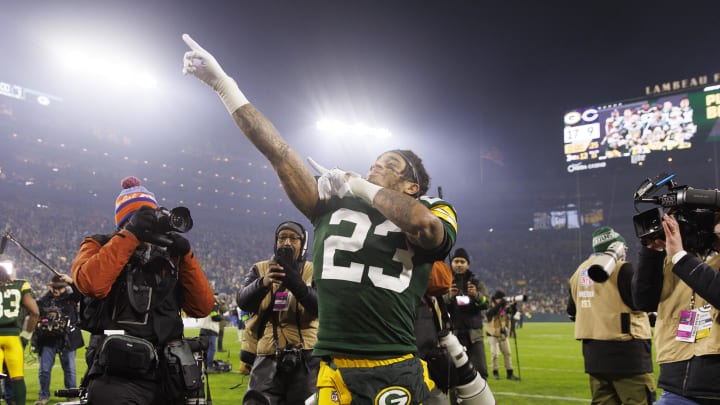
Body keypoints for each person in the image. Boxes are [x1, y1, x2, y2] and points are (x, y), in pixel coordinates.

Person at [183, 35, 458, 405]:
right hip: (332, 369)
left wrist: (358, 184)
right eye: (373, 163)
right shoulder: (331, 201)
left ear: (412, 186)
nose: (375, 167)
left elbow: (426, 229)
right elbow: (279, 152)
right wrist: (224, 86)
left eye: (389, 166)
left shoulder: (431, 206)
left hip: (393, 361)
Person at [70, 176, 215, 404]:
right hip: (117, 374)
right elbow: (91, 284)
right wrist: (130, 236)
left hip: (169, 375)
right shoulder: (97, 244)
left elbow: (202, 306)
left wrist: (186, 256)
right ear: (126, 222)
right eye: (143, 220)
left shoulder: (171, 255)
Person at [633, 212, 720, 403]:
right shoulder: (673, 256)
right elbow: (643, 301)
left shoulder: (680, 258)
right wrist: (652, 251)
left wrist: (680, 256)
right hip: (676, 383)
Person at [567, 226, 655, 404]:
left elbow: (572, 311)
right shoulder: (623, 269)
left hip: (593, 356)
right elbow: (643, 302)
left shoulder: (578, 273)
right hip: (627, 354)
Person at [237, 221, 319, 404]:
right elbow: (243, 301)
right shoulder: (260, 269)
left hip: (306, 355)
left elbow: (321, 307)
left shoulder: (314, 270)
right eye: (282, 237)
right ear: (276, 242)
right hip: (268, 352)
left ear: (302, 243)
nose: (287, 242)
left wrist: (296, 283)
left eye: (293, 238)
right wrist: (263, 282)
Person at [32, 273, 84, 405]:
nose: (56, 290)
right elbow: (35, 311)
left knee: (70, 369)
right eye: (54, 287)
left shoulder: (71, 298)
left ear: (64, 287)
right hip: (47, 340)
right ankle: (43, 396)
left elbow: (82, 294)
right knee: (44, 369)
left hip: (67, 340)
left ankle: (71, 396)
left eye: (59, 287)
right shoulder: (44, 300)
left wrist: (72, 282)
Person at [445, 248, 490, 382]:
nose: (459, 264)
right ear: (451, 263)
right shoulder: (445, 282)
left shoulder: (477, 283)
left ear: (467, 264)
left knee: (481, 371)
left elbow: (486, 303)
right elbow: (438, 304)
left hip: (474, 335)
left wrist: (476, 295)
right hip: (454, 336)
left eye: (462, 261)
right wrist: (449, 296)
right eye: (456, 261)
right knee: (454, 373)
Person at [0, 261, 39, 405]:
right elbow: (35, 312)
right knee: (17, 377)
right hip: (12, 338)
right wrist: (26, 337)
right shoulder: (20, 285)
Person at [485, 290, 520, 381]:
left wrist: (514, 306)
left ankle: (510, 373)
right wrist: (500, 304)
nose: (501, 301)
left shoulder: (505, 306)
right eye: (500, 299)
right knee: (495, 354)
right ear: (496, 299)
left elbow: (511, 314)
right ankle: (495, 372)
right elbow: (490, 313)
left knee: (507, 353)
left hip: (502, 333)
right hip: (492, 333)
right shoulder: (489, 304)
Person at [198, 297, 222, 373]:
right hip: (210, 330)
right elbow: (214, 316)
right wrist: (221, 317)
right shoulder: (214, 305)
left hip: (203, 329)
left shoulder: (205, 304)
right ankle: (209, 367)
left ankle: (204, 367)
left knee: (205, 350)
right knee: (211, 349)